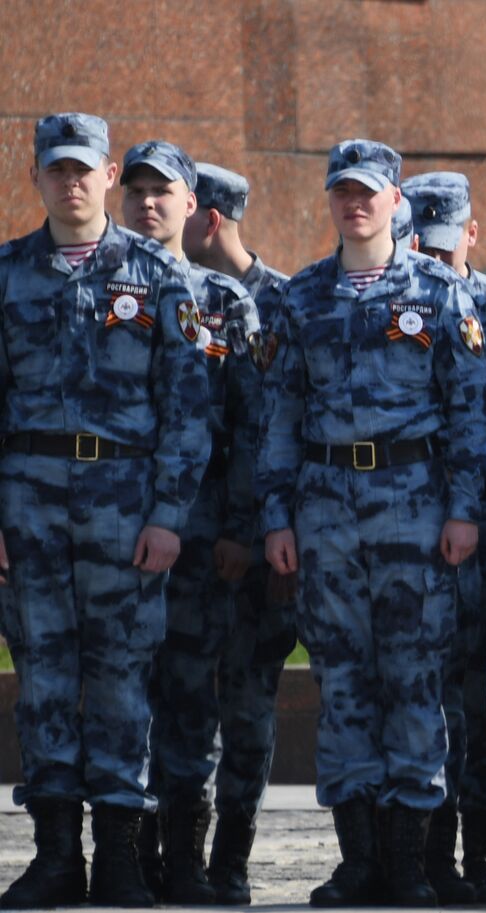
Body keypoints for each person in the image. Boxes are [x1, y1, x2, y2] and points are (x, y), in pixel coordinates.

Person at [257, 139, 486, 907]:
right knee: (343, 680)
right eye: (342, 191)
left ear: (398, 200)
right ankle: (358, 859)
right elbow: (281, 414)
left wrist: (463, 508)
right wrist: (276, 515)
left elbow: (471, 412)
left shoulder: (437, 289)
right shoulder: (301, 297)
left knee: (414, 677)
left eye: (369, 191)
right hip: (326, 510)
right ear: (330, 199)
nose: (354, 202)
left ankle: (411, 862)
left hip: (415, 506)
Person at [0, 112, 210, 909]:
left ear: (108, 173)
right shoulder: (8, 272)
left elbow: (189, 408)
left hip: (126, 503)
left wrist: (169, 513)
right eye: (56, 169)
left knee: (122, 675)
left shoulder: (159, 277)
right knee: (45, 674)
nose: (71, 181)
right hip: (29, 502)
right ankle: (57, 855)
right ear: (37, 177)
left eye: (84, 168)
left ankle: (120, 852)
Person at [120, 141, 263, 906]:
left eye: (162, 190)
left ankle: (185, 862)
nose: (147, 202)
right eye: (135, 188)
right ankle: (127, 860)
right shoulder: (99, 289)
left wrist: (241, 525)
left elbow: (249, 425)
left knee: (189, 698)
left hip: (204, 538)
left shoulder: (222, 301)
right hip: (111, 529)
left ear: (190, 204)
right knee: (119, 697)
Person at [402, 169, 486, 905]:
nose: (435, 265)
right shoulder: (398, 306)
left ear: (473, 237)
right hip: (410, 526)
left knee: (485, 697)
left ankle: (482, 857)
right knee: (422, 694)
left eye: (448, 251)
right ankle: (427, 856)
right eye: (423, 249)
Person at [182, 161, 296, 905]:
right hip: (185, 548)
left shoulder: (286, 304)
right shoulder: (176, 293)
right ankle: (177, 862)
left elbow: (278, 431)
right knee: (183, 703)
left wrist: (251, 532)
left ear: (212, 218)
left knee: (248, 712)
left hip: (255, 558)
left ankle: (230, 862)